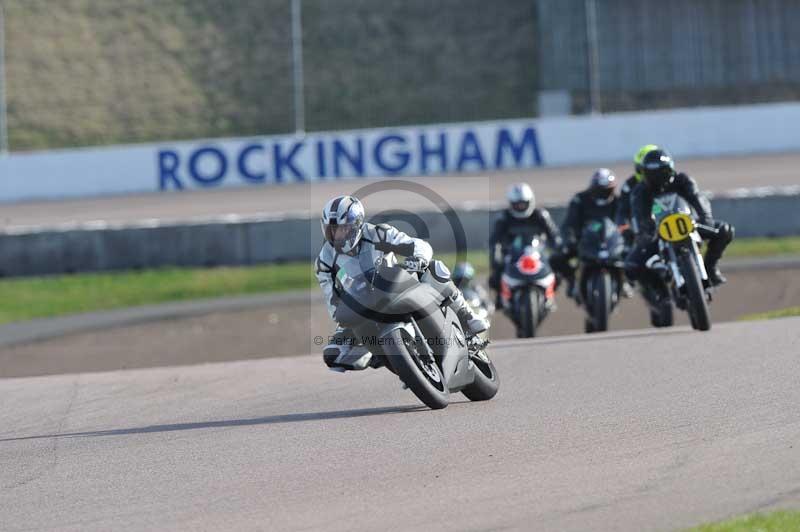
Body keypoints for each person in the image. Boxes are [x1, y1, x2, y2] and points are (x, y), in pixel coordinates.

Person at [315, 195, 489, 371]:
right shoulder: (325, 261)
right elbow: (331, 299)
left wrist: (418, 259)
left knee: (433, 267)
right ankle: (380, 355)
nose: (336, 235)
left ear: (356, 224)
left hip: (395, 284)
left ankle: (466, 314)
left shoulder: (378, 233)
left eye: (342, 229)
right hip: (363, 303)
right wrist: (341, 320)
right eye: (332, 230)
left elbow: (417, 245)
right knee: (333, 353)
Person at [625, 148, 734, 297]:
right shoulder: (640, 191)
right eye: (653, 174)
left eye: (662, 172)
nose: (658, 177)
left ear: (670, 168)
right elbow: (639, 215)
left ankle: (710, 268)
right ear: (645, 174)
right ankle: (659, 291)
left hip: (689, 224)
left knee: (724, 230)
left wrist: (705, 219)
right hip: (658, 233)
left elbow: (698, 199)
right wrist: (646, 231)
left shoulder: (683, 180)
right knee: (632, 265)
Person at [550, 168, 620, 299]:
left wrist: (628, 234)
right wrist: (569, 239)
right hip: (584, 243)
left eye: (606, 190)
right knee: (556, 258)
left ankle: (626, 282)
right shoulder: (580, 200)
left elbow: (625, 222)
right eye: (600, 190)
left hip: (611, 244)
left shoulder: (618, 202)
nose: (603, 193)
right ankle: (571, 281)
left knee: (634, 255)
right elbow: (569, 223)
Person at [488, 183, 562, 305]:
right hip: (512, 255)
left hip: (537, 253)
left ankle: (553, 292)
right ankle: (501, 298)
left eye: (523, 204)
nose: (521, 207)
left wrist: (557, 247)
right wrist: (496, 255)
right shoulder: (503, 218)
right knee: (495, 276)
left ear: (530, 201)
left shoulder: (540, 215)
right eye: (517, 204)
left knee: (559, 267)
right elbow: (495, 240)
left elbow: (553, 234)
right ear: (511, 204)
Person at [616, 144, 659, 244]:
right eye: (641, 169)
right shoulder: (629, 185)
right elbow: (622, 211)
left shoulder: (671, 180)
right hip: (643, 230)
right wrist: (625, 227)